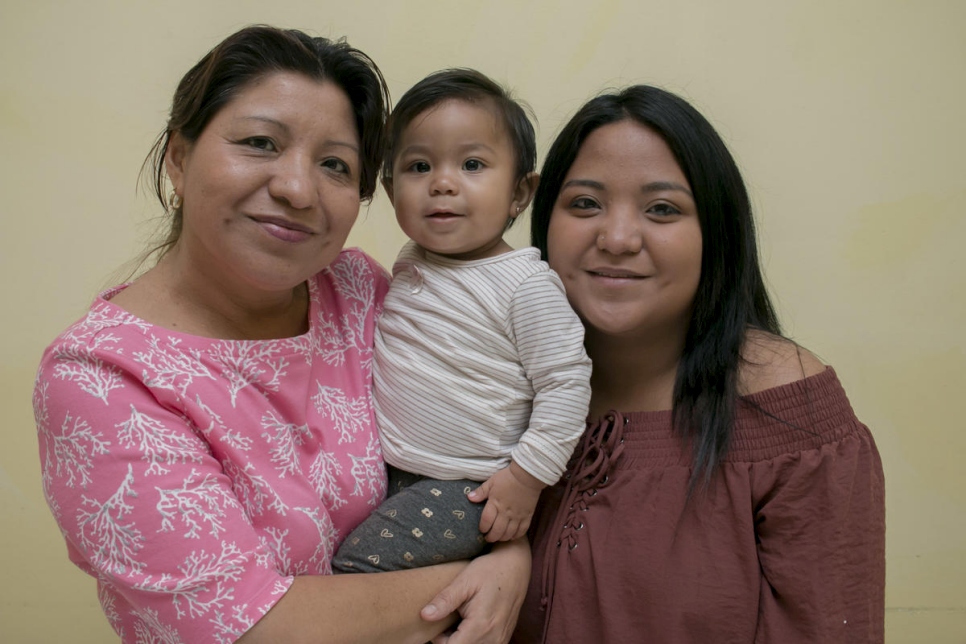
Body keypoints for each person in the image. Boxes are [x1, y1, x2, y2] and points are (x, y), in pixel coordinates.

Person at [33, 25, 528, 644]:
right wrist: (487, 568)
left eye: (334, 165)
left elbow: (481, 433)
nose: (297, 189)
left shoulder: (358, 292)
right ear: (179, 159)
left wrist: (511, 549)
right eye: (261, 142)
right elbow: (260, 628)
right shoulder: (102, 379)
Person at [511, 86, 886, 643]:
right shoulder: (498, 381)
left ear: (717, 230)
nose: (616, 238)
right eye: (585, 203)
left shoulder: (791, 412)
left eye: (662, 209)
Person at [332, 69, 591, 574]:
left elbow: (566, 382)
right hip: (393, 472)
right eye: (419, 166)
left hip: (470, 487)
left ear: (519, 194)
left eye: (472, 164)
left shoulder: (525, 284)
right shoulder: (411, 262)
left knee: (357, 569)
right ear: (390, 190)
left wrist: (526, 477)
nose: (443, 183)